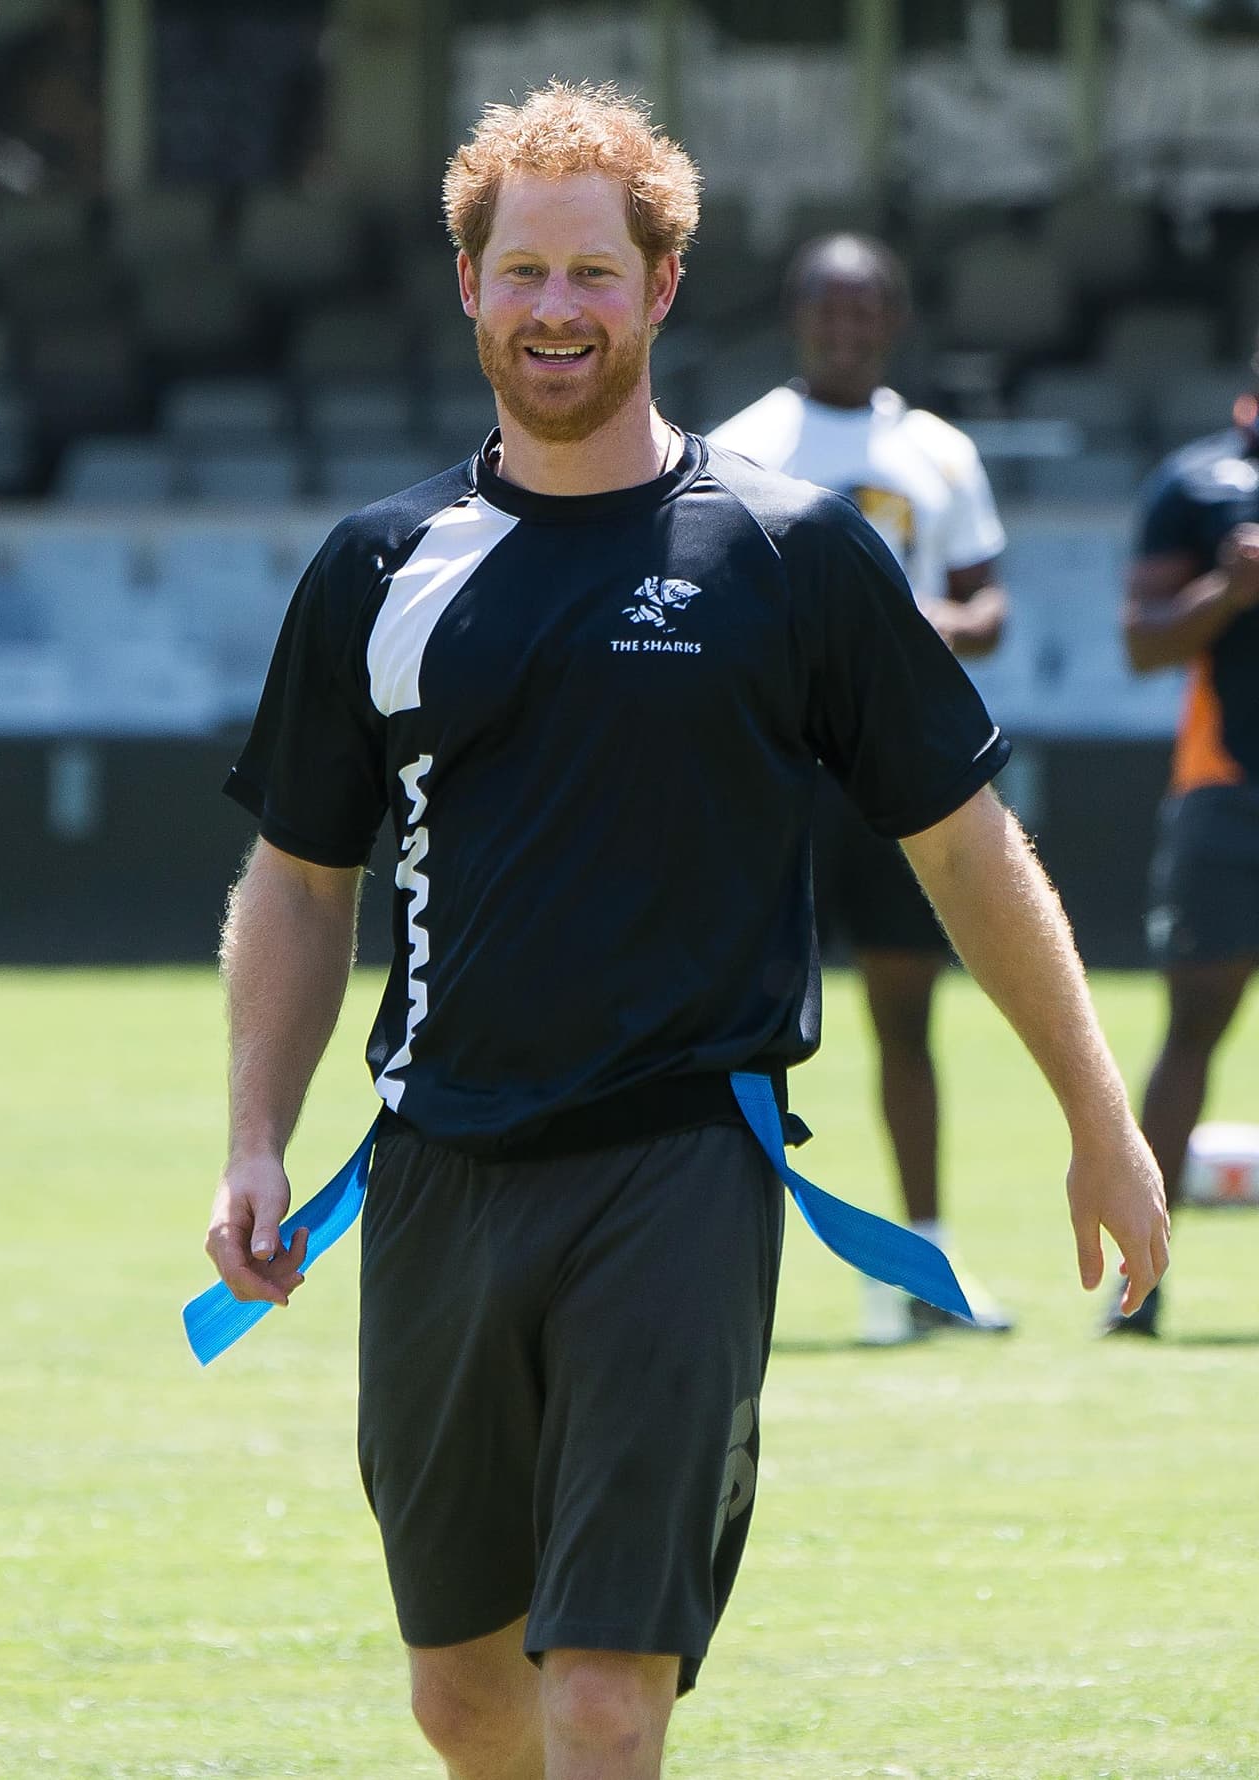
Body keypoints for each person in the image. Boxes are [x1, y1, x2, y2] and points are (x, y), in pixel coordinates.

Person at [201, 83, 1167, 1780]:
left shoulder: (790, 556)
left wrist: (1101, 1125)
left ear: (660, 288)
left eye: (594, 273)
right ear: (470, 289)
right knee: (463, 1694)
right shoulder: (377, 568)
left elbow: (965, 847)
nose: (557, 310)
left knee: (600, 1692)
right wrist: (256, 1140)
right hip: (435, 1172)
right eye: (525, 274)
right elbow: (299, 876)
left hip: (679, 1174)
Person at [708, 234, 1012, 1344]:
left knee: (903, 1020)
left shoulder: (935, 450)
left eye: (865, 310)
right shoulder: (743, 444)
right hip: (776, 777)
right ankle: (717, 1269)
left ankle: (918, 1266)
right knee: (741, 1029)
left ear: (893, 320)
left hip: (897, 777)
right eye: (826, 311)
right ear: (796, 318)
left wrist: (916, 624)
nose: (845, 328)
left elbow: (987, 607)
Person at [1112, 338, 1259, 1337]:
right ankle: (1139, 1283)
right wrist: (1229, 590)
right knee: (1189, 1030)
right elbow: (1139, 640)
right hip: (1226, 793)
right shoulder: (1198, 484)